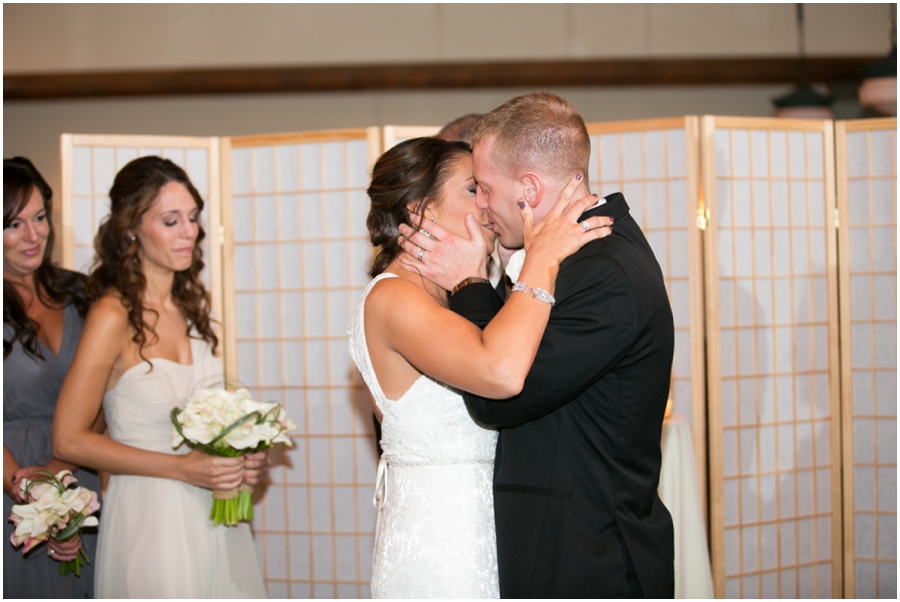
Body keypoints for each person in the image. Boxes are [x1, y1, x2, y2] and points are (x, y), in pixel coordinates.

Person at [397, 92, 676, 598]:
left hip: (590, 558)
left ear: (528, 188)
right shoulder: (572, 258)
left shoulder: (604, 272)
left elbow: (497, 395)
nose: (480, 206)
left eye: (483, 188)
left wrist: (468, 284)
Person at [349, 136, 612, 598]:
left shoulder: (457, 293)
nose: (488, 202)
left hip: (497, 532)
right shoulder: (393, 299)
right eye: (474, 189)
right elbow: (502, 373)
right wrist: (543, 259)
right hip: (443, 543)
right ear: (421, 211)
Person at [52, 156, 267, 598]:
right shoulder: (112, 315)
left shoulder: (190, 309)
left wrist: (244, 454)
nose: (189, 231)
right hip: (151, 518)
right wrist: (183, 468)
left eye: (192, 218)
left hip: (216, 518)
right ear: (131, 227)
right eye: (171, 221)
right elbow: (69, 440)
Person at [3, 157, 103, 598]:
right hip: (12, 485)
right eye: (13, 224)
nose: (33, 235)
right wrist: (32, 491)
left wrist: (59, 474)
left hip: (80, 476)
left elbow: (108, 396)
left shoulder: (82, 293)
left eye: (39, 217)